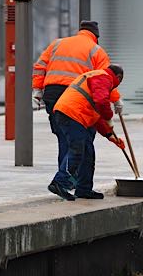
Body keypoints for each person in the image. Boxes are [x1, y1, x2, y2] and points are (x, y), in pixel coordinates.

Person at [32, 21, 123, 185]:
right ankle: (76, 183)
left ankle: (66, 181)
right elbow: (105, 80)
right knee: (83, 142)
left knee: (64, 138)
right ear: (96, 36)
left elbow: (40, 66)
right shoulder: (96, 50)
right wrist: (116, 101)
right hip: (77, 97)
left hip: (53, 94)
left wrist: (37, 90)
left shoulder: (57, 43)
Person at [48, 65, 126, 201]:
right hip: (71, 114)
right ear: (118, 77)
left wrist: (110, 136)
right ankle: (59, 182)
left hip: (74, 115)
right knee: (77, 149)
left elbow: (97, 117)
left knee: (88, 152)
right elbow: (102, 103)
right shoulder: (104, 77)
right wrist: (109, 116)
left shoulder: (96, 77)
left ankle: (84, 188)